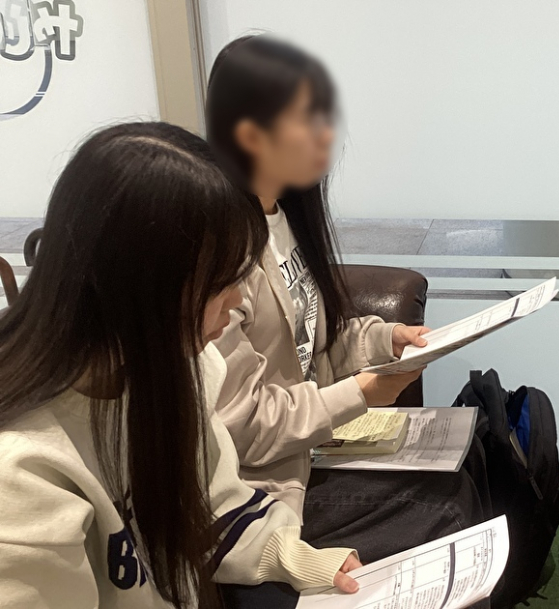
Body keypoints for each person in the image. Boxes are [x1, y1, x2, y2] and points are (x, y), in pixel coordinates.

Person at [0, 123, 362, 608]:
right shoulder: (23, 475)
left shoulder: (181, 367)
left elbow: (214, 506)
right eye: (220, 283)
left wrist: (301, 561)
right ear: (140, 287)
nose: (235, 302)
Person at [206, 35, 491, 562]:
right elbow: (243, 428)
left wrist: (388, 339)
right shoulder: (220, 257)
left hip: (310, 449)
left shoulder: (285, 219)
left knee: (468, 449)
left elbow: (316, 341)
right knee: (448, 504)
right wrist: (361, 393)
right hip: (264, 488)